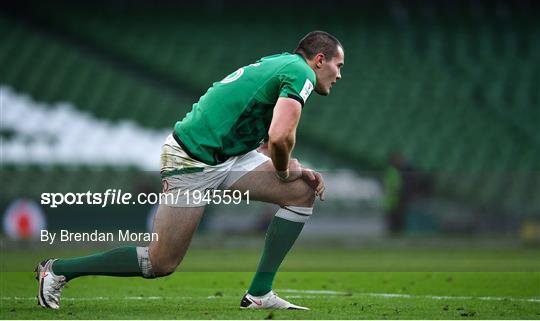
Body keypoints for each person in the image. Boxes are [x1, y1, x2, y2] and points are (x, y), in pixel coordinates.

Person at [36, 30, 344, 310]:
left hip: (229, 156)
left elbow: (255, 116)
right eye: (338, 65)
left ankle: (259, 294)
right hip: (190, 159)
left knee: (301, 193)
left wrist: (275, 156)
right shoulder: (301, 72)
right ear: (319, 60)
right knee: (160, 262)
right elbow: (280, 136)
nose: (339, 74)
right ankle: (58, 269)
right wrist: (283, 170)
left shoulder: (282, 63)